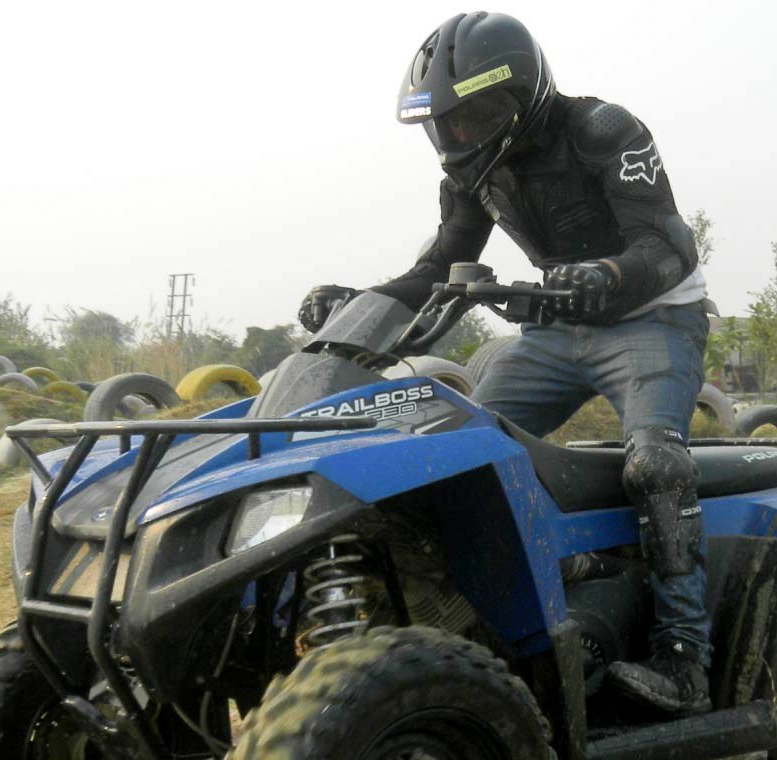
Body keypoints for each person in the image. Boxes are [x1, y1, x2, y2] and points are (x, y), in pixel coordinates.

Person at [295, 12, 712, 716]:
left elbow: (670, 247)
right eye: (446, 125)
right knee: (458, 453)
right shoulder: (470, 174)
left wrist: (605, 274)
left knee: (656, 466)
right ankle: (533, 592)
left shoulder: (605, 130)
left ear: (522, 94)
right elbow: (436, 266)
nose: (459, 137)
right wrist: (358, 301)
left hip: (652, 319)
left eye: (475, 116)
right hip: (556, 330)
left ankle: (684, 657)